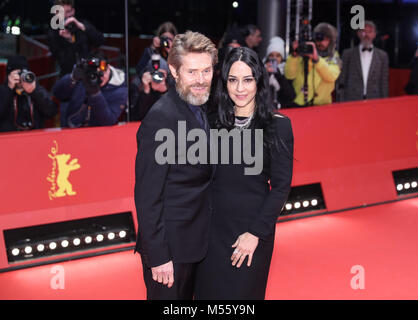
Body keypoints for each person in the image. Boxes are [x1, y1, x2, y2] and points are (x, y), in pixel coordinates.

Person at [194, 47, 294, 300]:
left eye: (247, 79)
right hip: (210, 235)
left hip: (250, 233)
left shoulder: (277, 125)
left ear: (258, 81)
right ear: (224, 81)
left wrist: (256, 233)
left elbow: (281, 187)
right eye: (233, 80)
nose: (240, 88)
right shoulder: (210, 121)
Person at [134, 31, 218, 300]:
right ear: (174, 70)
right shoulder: (161, 118)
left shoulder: (202, 107)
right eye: (192, 72)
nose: (201, 80)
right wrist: (158, 256)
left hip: (198, 242)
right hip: (170, 250)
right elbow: (148, 195)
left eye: (206, 71)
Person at [52, 53, 128, 127]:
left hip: (99, 133)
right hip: (71, 127)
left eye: (102, 73)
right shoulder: (83, 76)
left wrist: (95, 94)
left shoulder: (119, 89)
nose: (99, 77)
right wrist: (72, 78)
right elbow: (57, 93)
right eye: (94, 73)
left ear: (109, 68)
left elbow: (108, 121)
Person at [285, 22, 341, 107]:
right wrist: (294, 56)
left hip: (322, 105)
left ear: (331, 41)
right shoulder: (304, 53)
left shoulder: (334, 58)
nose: (321, 42)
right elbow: (289, 76)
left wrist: (317, 60)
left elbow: (331, 76)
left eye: (325, 39)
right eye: (319, 38)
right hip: (299, 103)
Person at [0, 55, 58, 132]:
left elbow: (51, 112)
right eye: (18, 73)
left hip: (34, 138)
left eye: (23, 73)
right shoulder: (3, 91)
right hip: (9, 138)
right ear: (9, 75)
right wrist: (9, 89)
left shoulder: (36, 89)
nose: (21, 77)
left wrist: (34, 92)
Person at [48, 0, 104, 77]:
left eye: (68, 12)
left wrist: (83, 28)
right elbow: (65, 63)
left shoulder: (82, 24)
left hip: (90, 73)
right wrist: (70, 41)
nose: (66, 16)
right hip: (69, 77)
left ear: (73, 11)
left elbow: (100, 41)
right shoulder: (54, 34)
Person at [341, 21, 389, 101]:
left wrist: (384, 103)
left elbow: (384, 83)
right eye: (363, 31)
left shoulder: (382, 56)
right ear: (358, 33)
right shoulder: (347, 54)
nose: (366, 35)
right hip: (351, 99)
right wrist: (341, 101)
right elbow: (342, 80)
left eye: (370, 32)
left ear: (374, 34)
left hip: (374, 100)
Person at [129, 57, 170, 121]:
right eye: (154, 74)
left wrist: (165, 90)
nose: (157, 77)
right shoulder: (140, 87)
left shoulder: (174, 89)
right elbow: (136, 117)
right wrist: (146, 90)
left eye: (160, 74)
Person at [263, 36, 296, 108]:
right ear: (268, 57)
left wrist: (279, 75)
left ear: (282, 58)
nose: (274, 58)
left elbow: (290, 96)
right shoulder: (261, 70)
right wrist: (266, 74)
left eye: (278, 56)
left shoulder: (287, 70)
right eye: (271, 55)